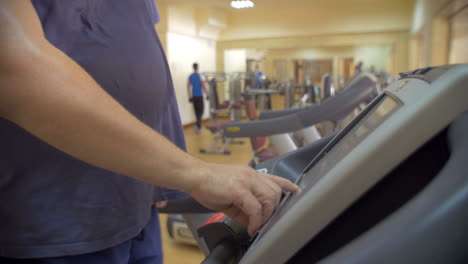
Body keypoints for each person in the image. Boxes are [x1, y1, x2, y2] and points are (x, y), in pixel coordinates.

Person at [0, 1, 299, 264]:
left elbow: (149, 62)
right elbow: (12, 66)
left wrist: (163, 179)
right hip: (54, 221)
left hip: (136, 202)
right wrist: (196, 173)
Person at [187, 63, 208, 133]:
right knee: (201, 111)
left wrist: (189, 97)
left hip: (194, 96)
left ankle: (197, 126)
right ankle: (198, 126)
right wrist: (207, 94)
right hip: (199, 96)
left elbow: (188, 87)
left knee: (196, 112)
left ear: (193, 68)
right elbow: (203, 85)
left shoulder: (190, 76)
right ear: (197, 67)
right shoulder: (200, 75)